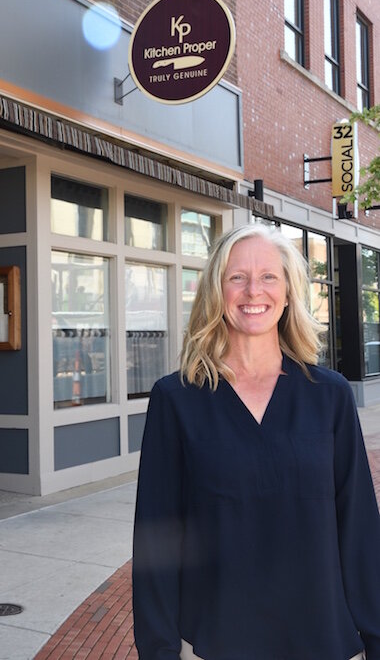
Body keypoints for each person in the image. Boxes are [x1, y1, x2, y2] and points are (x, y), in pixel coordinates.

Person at [132, 223, 380, 660]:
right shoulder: (176, 400)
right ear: (216, 291)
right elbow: (157, 541)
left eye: (268, 276)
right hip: (215, 644)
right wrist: (160, 649)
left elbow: (359, 530)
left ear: (287, 292)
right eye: (237, 277)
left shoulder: (330, 395)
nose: (253, 291)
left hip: (324, 641)